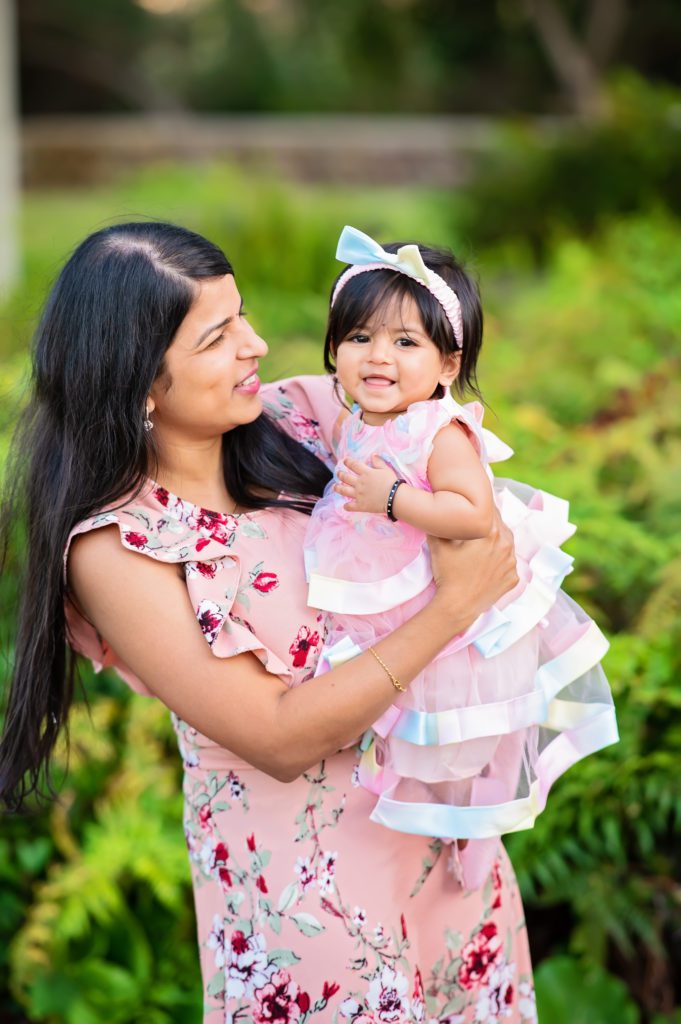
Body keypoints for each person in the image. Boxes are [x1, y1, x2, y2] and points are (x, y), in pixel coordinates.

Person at [0, 221, 537, 1023]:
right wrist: (453, 607)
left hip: (441, 846)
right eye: (217, 337)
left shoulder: (303, 418)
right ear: (139, 381)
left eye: (242, 315)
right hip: (310, 902)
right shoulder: (120, 547)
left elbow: (452, 458)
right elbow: (280, 737)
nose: (255, 344)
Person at [305, 226, 618, 891]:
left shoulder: (437, 431)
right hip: (398, 596)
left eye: (404, 342)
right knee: (417, 727)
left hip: (461, 604)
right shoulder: (355, 419)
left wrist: (391, 497)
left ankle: (481, 826)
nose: (377, 356)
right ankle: (430, 819)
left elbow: (472, 513)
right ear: (333, 352)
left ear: (447, 365)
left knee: (476, 734)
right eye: (358, 338)